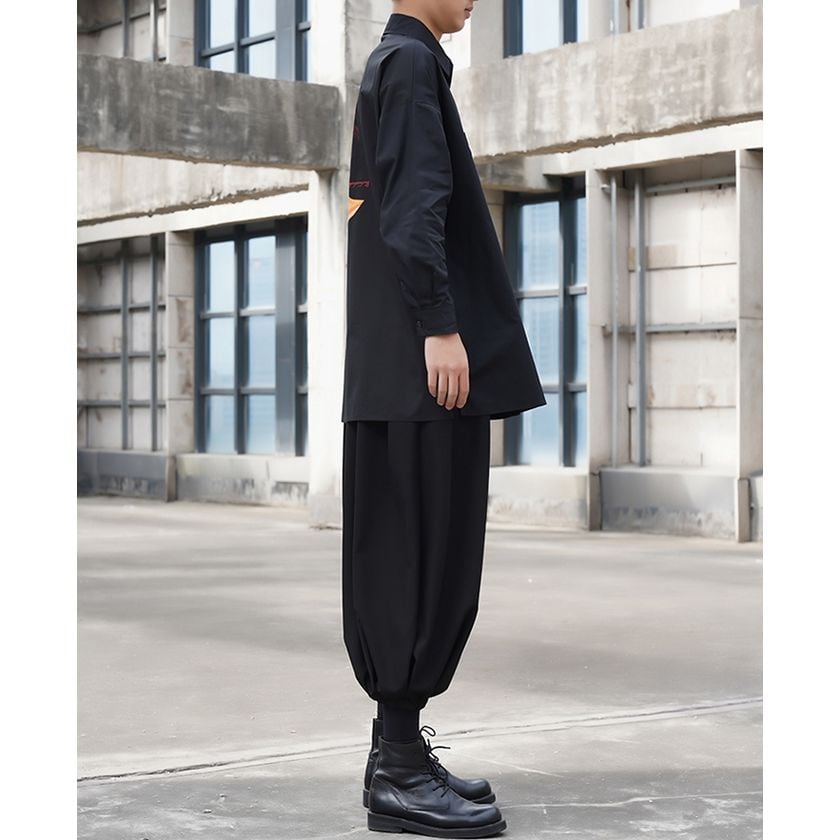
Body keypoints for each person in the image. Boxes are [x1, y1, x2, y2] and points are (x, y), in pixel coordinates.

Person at [341, 1, 545, 836]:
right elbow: (413, 206)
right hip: (421, 377)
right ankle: (396, 770)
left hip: (397, 377)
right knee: (424, 557)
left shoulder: (400, 65)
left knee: (409, 553)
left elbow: (395, 203)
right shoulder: (411, 65)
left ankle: (397, 754)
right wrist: (439, 324)